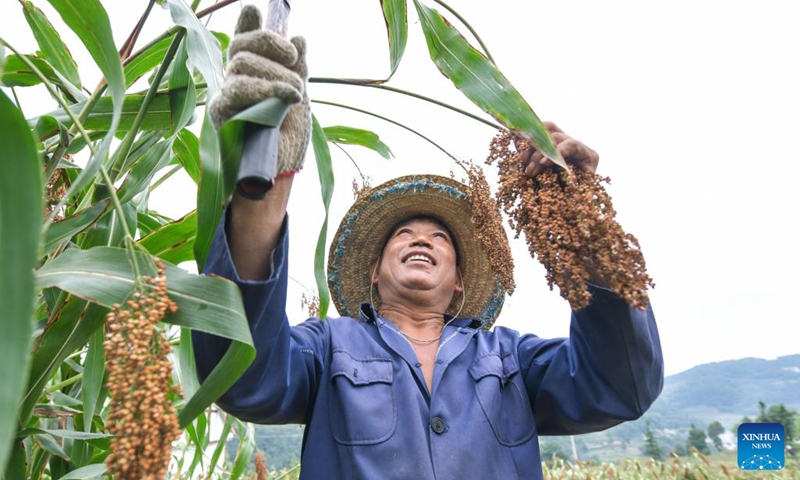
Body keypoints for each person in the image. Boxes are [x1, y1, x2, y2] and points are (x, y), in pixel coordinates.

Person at [193, 6, 664, 480]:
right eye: (405, 234)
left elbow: (618, 387)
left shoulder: (509, 360)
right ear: (375, 271)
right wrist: (268, 177)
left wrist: (583, 221)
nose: (422, 239)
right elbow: (242, 377)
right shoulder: (328, 348)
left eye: (441, 238)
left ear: (459, 282)